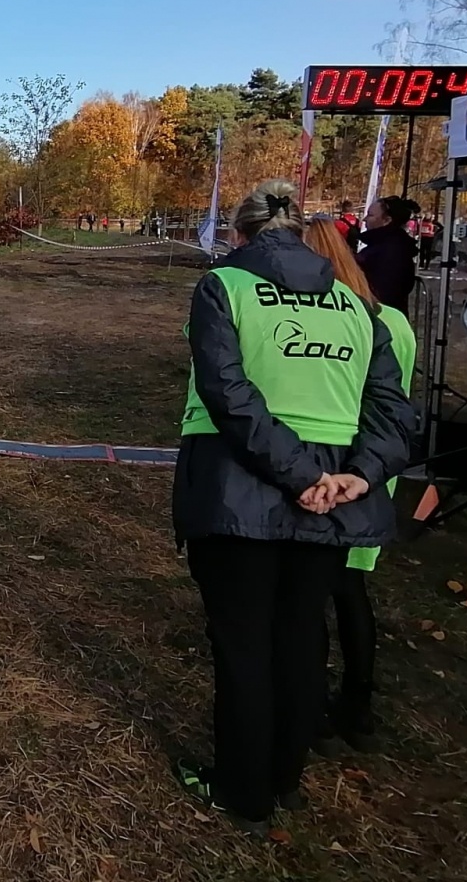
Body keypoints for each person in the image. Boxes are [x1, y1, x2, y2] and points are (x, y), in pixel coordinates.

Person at [173, 179, 412, 836]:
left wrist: (301, 476)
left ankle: (242, 791)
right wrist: (355, 478)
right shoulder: (360, 309)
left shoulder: (225, 287)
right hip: (332, 503)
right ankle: (286, 781)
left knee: (245, 646)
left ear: (242, 235)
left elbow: (229, 392)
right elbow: (393, 413)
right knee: (303, 640)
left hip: (238, 491)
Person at [303, 215, 417, 754]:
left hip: (330, 478)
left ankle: (316, 711)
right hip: (373, 477)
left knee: (312, 597)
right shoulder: (393, 321)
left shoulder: (330, 320)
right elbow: (397, 408)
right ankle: (358, 704)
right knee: (351, 595)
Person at [357, 196, 418, 311]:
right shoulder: (383, 245)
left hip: (380, 316)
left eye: (370, 215)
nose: (364, 219)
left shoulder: (392, 251)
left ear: (387, 220)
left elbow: (385, 293)